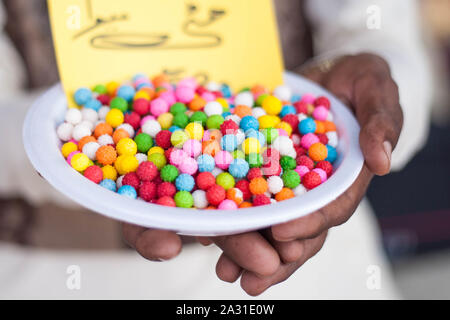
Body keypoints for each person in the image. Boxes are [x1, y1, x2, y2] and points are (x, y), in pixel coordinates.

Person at [0, 0, 432, 299]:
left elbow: (385, 34)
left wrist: (374, 84)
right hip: (47, 275)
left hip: (320, 273)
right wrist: (54, 145)